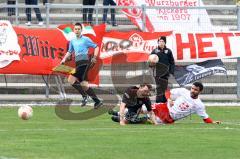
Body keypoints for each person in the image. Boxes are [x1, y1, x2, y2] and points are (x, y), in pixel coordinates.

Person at [60, 22, 102, 109]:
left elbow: (96, 46)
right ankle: (97, 101)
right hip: (78, 62)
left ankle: (84, 96)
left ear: (81, 30)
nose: (77, 30)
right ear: (73, 30)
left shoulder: (85, 39)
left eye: (79, 29)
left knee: (71, 79)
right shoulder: (72, 41)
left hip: (84, 62)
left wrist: (94, 57)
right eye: (76, 29)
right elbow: (69, 51)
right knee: (84, 84)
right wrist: (64, 59)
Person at [151, 82, 221, 124]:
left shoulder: (199, 105)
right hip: (164, 107)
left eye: (196, 90)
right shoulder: (184, 91)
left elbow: (205, 118)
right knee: (144, 108)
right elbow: (168, 92)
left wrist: (212, 122)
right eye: (192, 88)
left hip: (168, 118)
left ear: (200, 92)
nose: (193, 91)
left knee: (148, 120)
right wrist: (169, 99)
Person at [149, 36, 175, 103]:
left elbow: (172, 62)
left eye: (162, 41)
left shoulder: (168, 51)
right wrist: (151, 64)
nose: (161, 43)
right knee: (159, 88)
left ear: (165, 42)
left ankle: (164, 101)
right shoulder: (155, 51)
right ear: (158, 42)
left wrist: (171, 71)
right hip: (157, 73)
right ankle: (158, 102)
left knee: (164, 88)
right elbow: (150, 62)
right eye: (160, 41)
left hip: (166, 73)